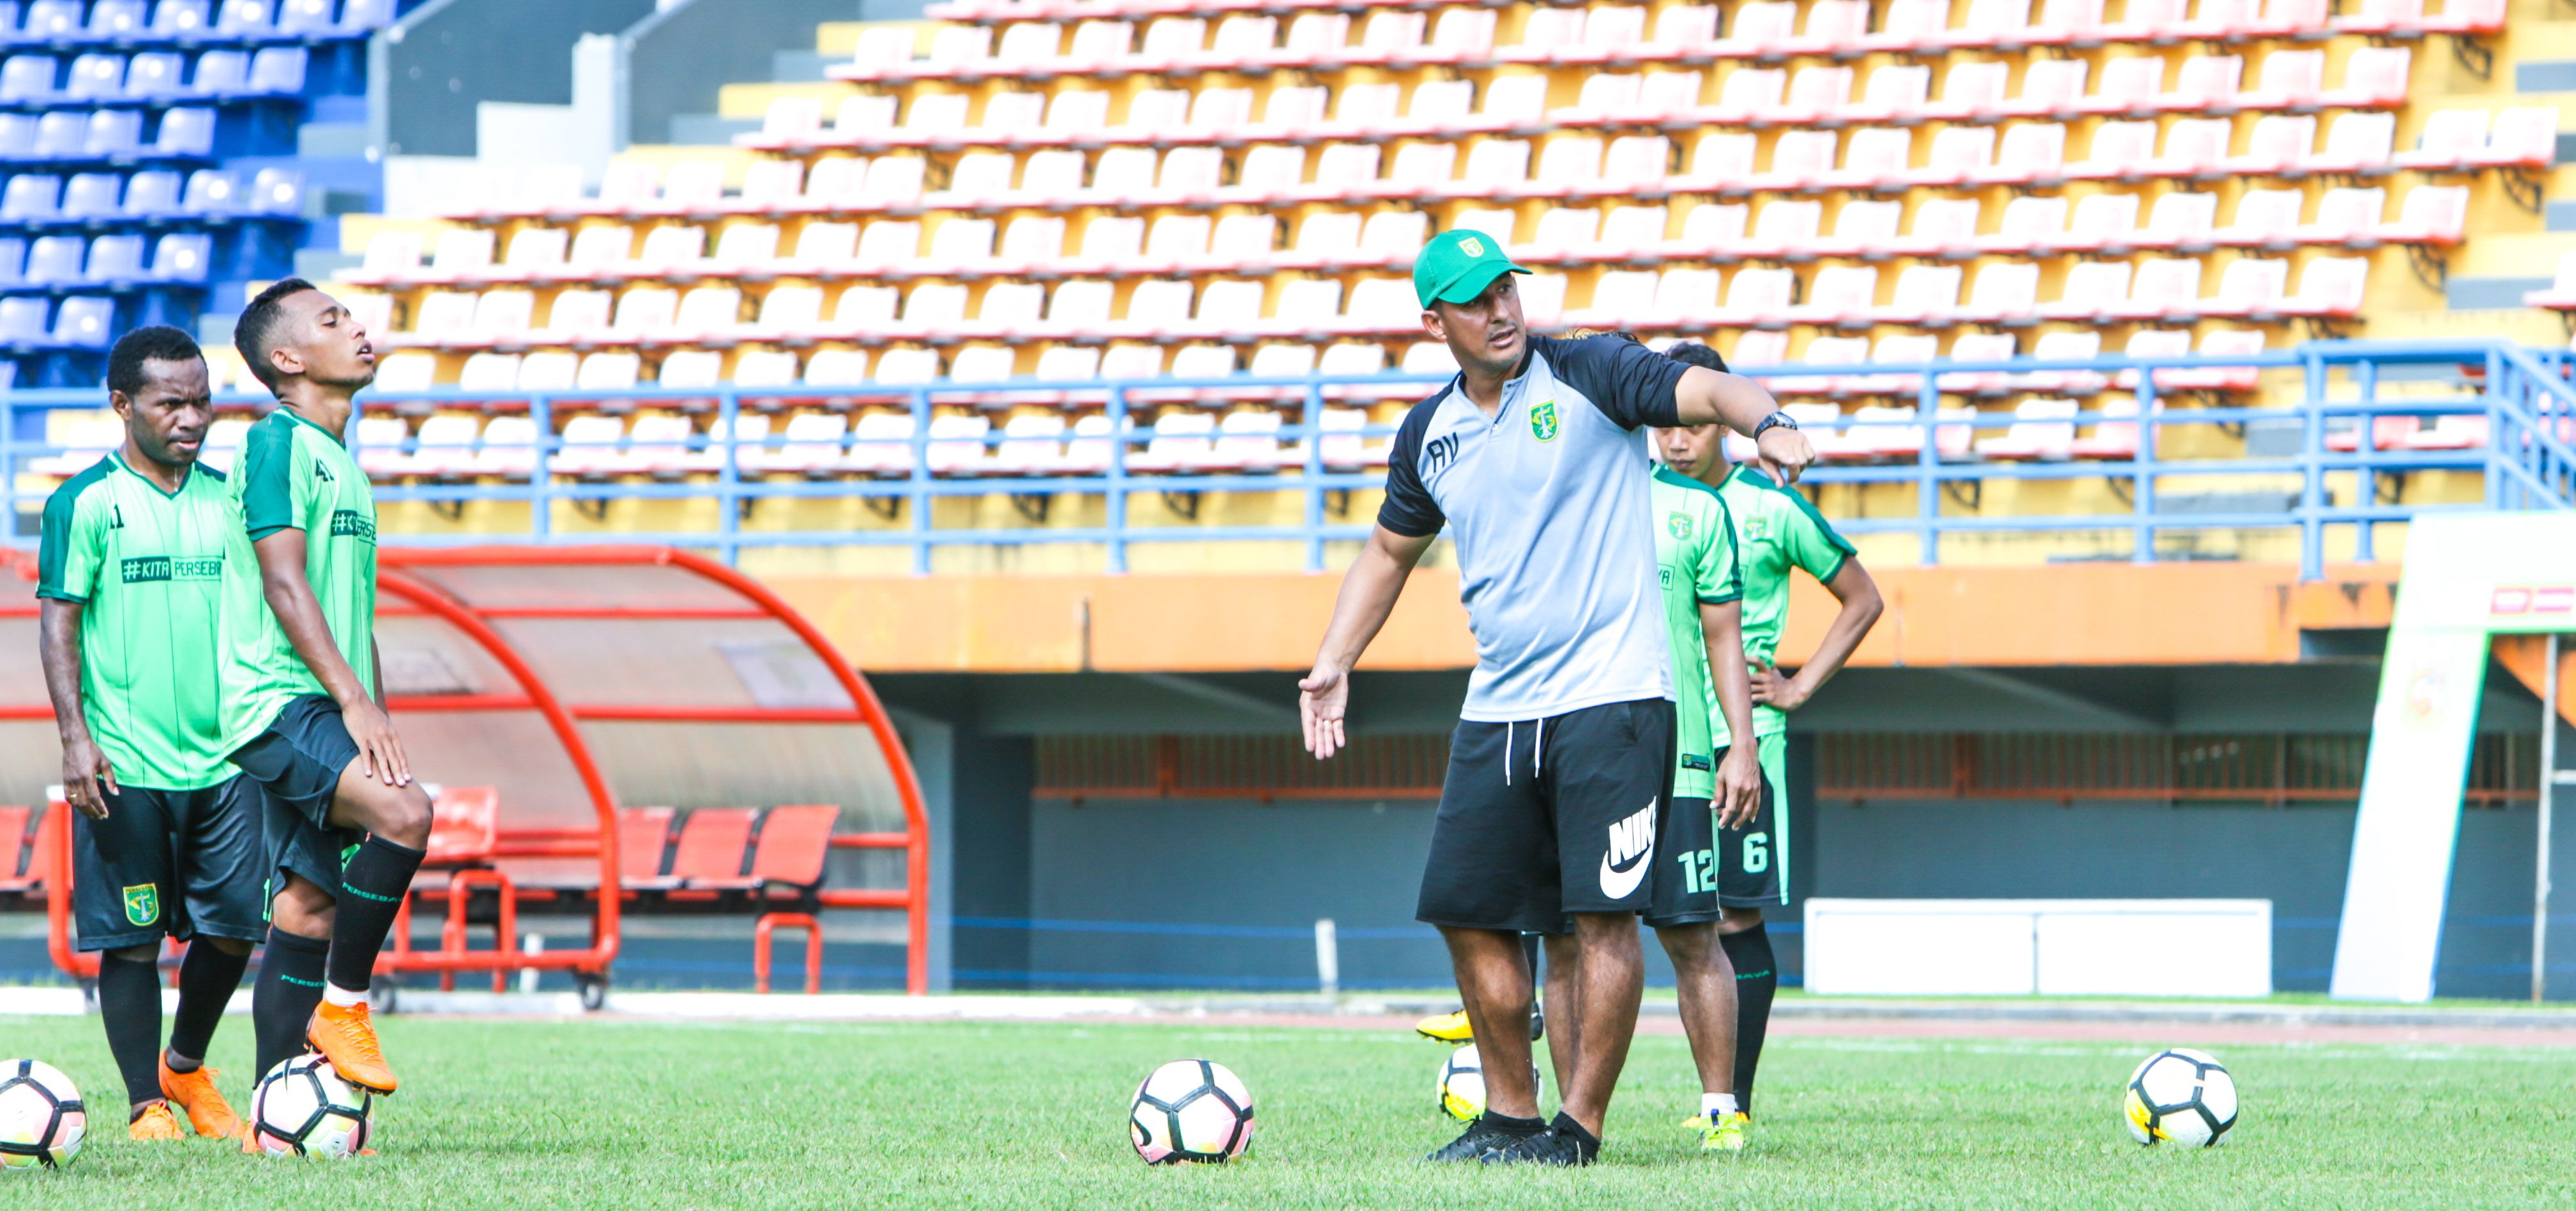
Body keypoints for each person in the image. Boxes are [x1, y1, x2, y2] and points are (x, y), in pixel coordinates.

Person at [1299, 232, 1812, 1166]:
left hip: (1613, 700)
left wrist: (1765, 420)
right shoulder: (1427, 434)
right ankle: (1507, 1115)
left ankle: (1577, 1131)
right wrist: (1335, 656)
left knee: (1602, 918)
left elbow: (1704, 390)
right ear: (1434, 320)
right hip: (1498, 707)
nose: (1500, 311)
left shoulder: (1590, 371)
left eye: (1506, 291)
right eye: (1474, 299)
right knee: (1466, 911)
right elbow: (1387, 550)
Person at [36, 327, 272, 1141]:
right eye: (171, 402)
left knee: (235, 927)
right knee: (132, 938)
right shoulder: (84, 504)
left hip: (230, 758)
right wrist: (75, 739)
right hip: (125, 762)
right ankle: (147, 1104)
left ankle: (185, 1061)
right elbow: (59, 625)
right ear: (122, 405)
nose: (192, 417)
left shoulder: (232, 501)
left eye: (202, 400)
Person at [1662, 340, 1885, 1128]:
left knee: (1734, 916)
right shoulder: (1639, 501)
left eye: (1688, 422)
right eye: (1661, 423)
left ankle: (1733, 1106)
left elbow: (1861, 598)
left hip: (1743, 741)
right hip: (1652, 731)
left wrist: (1794, 687)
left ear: (1721, 419)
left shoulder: (1772, 507)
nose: (1672, 437)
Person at [227, 278, 433, 1102]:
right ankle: (344, 1008)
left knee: (309, 909)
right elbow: (285, 586)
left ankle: (272, 1110)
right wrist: (354, 702)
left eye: (352, 316)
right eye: (333, 320)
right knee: (407, 814)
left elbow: (355, 616)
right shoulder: (277, 444)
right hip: (277, 702)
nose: (358, 330)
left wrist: (374, 712)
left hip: (324, 703)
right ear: (286, 358)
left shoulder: (341, 461)